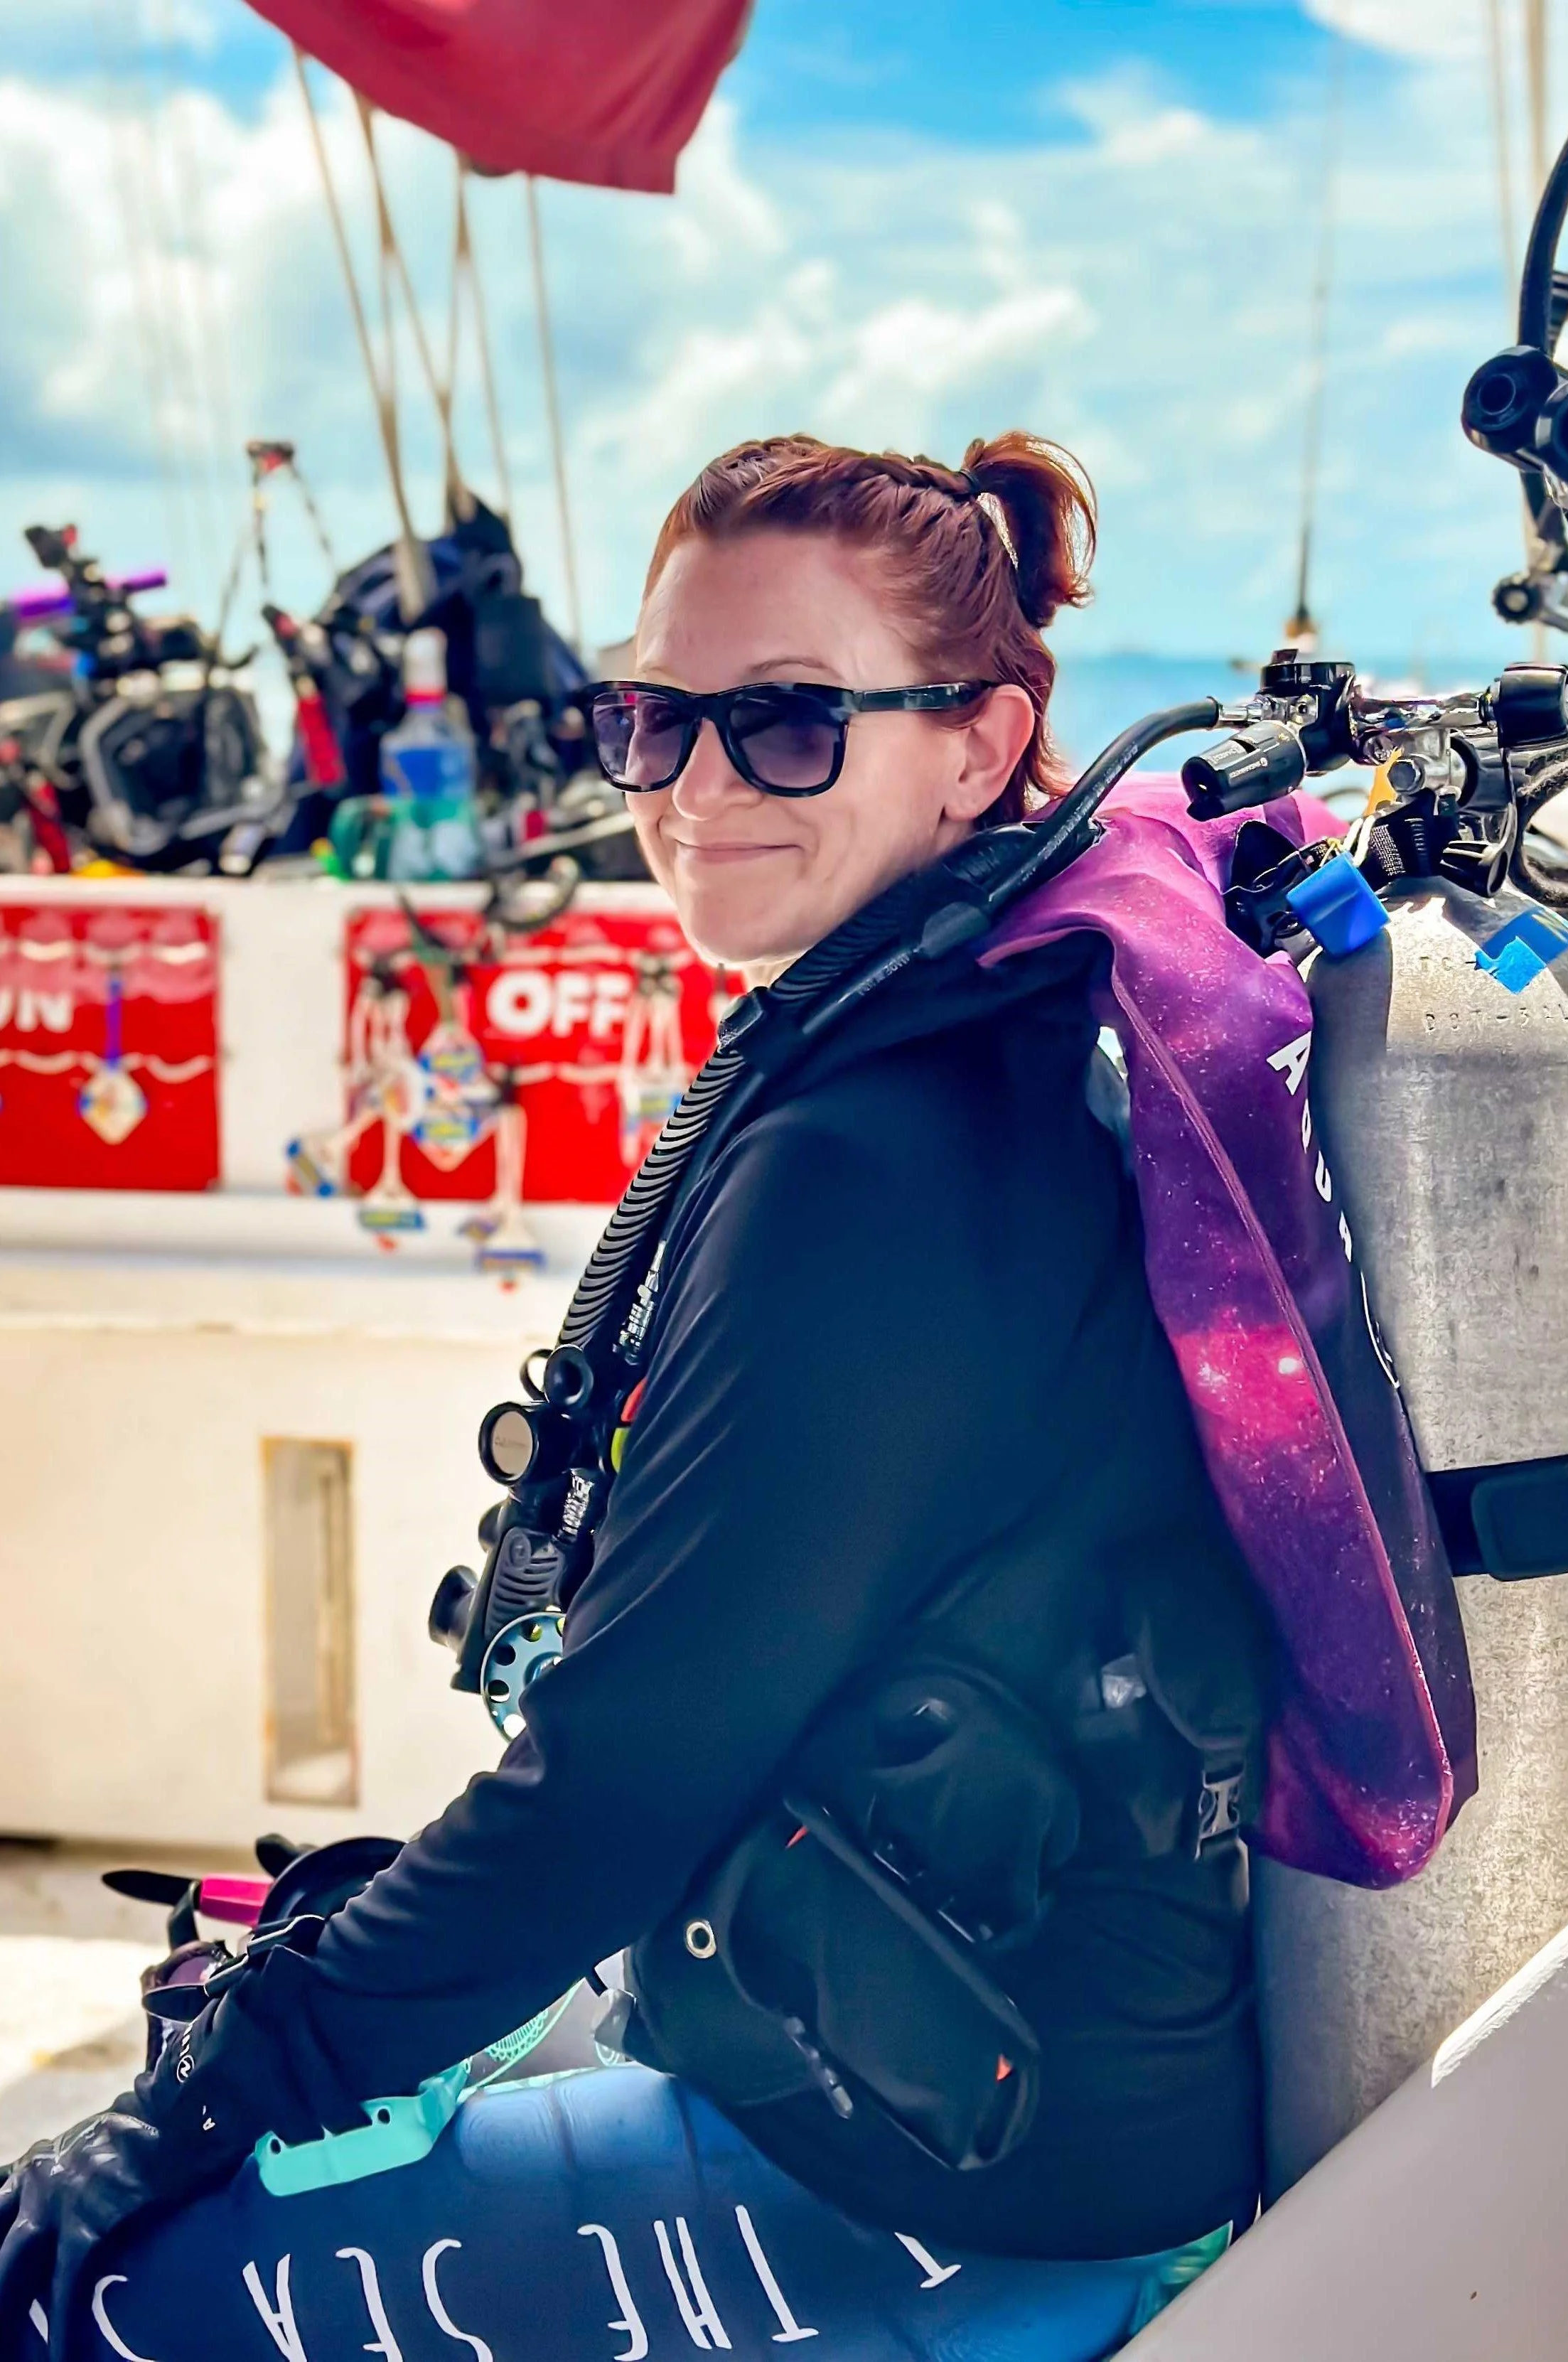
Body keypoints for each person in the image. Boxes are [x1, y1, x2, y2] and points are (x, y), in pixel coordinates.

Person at [0, 432, 1273, 2361]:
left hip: (928, 2195)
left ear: (978, 740)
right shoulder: (937, 1047)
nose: (691, 788)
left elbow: (622, 1775)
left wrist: (200, 2093)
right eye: (649, 718)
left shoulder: (883, 1161)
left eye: (781, 724)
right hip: (917, 2072)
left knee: (69, 2291)